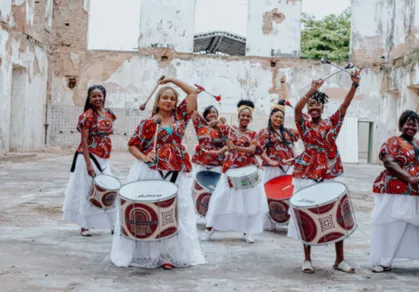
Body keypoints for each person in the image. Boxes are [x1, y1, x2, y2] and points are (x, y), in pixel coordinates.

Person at [110, 77, 205, 269]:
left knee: (174, 212)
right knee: (154, 210)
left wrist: (170, 80)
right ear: (158, 101)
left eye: (172, 98)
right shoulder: (149, 123)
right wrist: (144, 157)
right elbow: (132, 146)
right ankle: (151, 254)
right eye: (165, 98)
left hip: (176, 170)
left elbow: (193, 93)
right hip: (152, 171)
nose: (168, 101)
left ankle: (169, 254)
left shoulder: (181, 117)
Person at [288, 69, 361, 274]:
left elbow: (345, 106)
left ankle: (339, 259)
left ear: (322, 106)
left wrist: (354, 85)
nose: (313, 108)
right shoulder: (303, 125)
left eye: (317, 104)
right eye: (311, 105)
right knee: (307, 215)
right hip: (308, 172)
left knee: (337, 214)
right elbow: (296, 109)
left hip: (330, 171)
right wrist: (312, 90)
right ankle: (307, 259)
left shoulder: (332, 123)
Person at [370, 110, 419, 276]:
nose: (411, 127)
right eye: (408, 123)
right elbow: (388, 162)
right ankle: (384, 261)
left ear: (418, 127)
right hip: (398, 191)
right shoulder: (393, 142)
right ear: (401, 125)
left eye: (414, 124)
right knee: (394, 226)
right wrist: (408, 177)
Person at [201, 100, 268, 243]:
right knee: (219, 199)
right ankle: (209, 228)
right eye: (242, 116)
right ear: (238, 116)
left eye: (248, 117)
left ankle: (247, 231)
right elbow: (209, 125)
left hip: (247, 169)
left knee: (248, 202)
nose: (245, 118)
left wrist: (235, 147)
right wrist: (219, 120)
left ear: (250, 119)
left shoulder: (253, 134)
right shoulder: (229, 130)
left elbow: (252, 150)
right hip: (230, 169)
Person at [62, 85, 117, 236]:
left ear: (104, 96)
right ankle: (85, 225)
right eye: (94, 96)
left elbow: (108, 133)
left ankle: (113, 224)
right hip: (89, 156)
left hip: (104, 157)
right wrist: (88, 164)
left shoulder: (109, 113)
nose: (97, 99)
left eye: (100, 95)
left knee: (109, 189)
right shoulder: (87, 116)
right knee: (86, 190)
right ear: (90, 98)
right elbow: (84, 141)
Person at [258, 99, 299, 232]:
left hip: (288, 168)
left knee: (288, 194)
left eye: (281, 117)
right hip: (272, 169)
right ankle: (269, 223)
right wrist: (269, 161)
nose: (278, 119)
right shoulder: (265, 132)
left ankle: (285, 220)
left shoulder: (288, 132)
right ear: (271, 117)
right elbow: (259, 150)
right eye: (276, 117)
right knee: (271, 195)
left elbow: (303, 131)